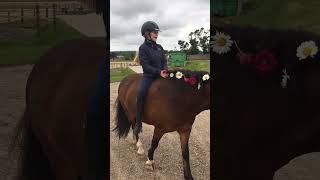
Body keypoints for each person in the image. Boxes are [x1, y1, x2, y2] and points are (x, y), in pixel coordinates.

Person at [133, 21, 169, 136]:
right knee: (141, 93)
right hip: (149, 76)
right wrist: (159, 72)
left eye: (157, 32)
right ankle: (138, 122)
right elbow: (146, 66)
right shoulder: (142, 48)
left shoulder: (159, 47)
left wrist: (165, 69)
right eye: (154, 32)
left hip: (162, 74)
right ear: (146, 34)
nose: (156, 34)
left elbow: (164, 61)